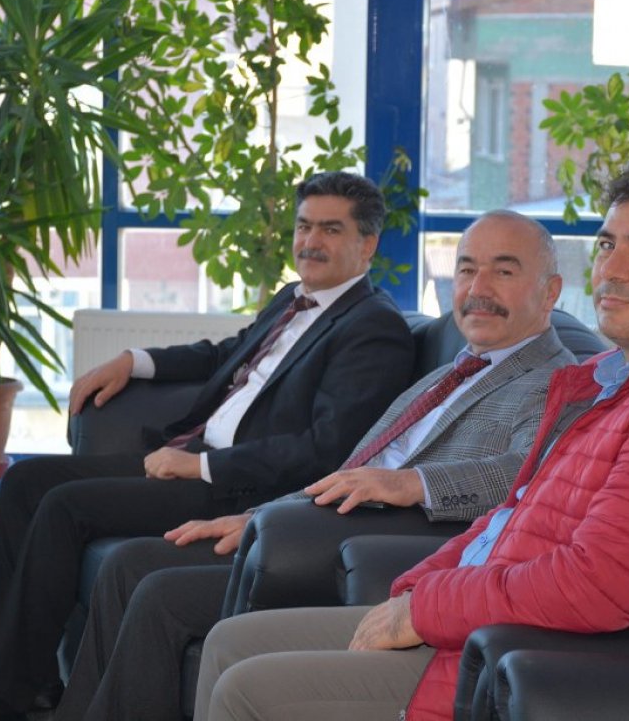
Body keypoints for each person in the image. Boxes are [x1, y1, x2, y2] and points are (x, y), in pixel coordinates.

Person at [195, 158, 629, 721]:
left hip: (532, 660)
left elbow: (595, 587)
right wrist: (419, 586)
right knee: (228, 643)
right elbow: (514, 513)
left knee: (247, 689)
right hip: (484, 621)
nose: (612, 270)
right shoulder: (618, 381)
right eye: (607, 245)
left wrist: (425, 608)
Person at [0, 171, 417, 721]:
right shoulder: (293, 298)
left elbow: (327, 449)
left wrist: (202, 465)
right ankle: (30, 682)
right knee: (26, 480)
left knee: (65, 506)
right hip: (191, 456)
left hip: (236, 487)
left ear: (367, 244)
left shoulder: (374, 328)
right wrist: (134, 360)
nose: (310, 242)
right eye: (304, 226)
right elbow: (226, 355)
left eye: (330, 229)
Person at [55, 210, 578, 721]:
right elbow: (350, 471)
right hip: (308, 529)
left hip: (374, 556)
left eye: (503, 271)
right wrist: (259, 517)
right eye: (466, 269)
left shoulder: (559, 381)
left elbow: (529, 475)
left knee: (160, 593)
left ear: (550, 291)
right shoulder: (450, 373)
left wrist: (412, 483)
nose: (478, 288)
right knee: (130, 563)